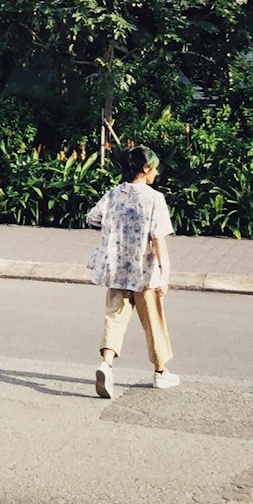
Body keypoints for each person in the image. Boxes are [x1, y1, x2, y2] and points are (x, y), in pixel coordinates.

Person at [85, 144, 179, 398]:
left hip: (117, 268)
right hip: (144, 271)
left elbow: (92, 217)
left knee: (114, 318)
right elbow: (158, 240)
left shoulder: (113, 194)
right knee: (153, 321)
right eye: (155, 169)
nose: (156, 174)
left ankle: (106, 364)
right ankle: (160, 372)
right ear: (146, 169)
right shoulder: (154, 198)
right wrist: (164, 274)